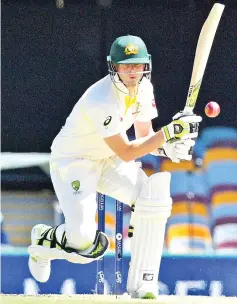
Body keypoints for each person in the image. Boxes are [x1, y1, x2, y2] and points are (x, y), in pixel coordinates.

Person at [28, 35, 202, 299]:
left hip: (109, 159)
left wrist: (170, 145)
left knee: (151, 196)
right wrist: (169, 133)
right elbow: (127, 150)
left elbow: (145, 137)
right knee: (85, 247)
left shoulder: (144, 88)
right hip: (75, 162)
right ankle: (43, 242)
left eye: (138, 65)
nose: (132, 71)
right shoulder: (101, 99)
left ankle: (144, 283)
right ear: (114, 67)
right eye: (126, 65)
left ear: (147, 65)